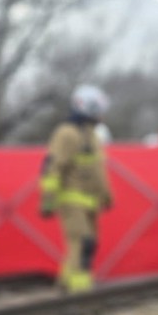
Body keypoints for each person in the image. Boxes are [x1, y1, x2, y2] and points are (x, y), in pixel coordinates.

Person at [39, 84, 113, 293]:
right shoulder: (66, 133)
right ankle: (75, 291)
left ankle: (72, 285)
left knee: (88, 244)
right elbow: (54, 167)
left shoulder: (92, 135)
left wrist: (106, 195)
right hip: (71, 199)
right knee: (82, 241)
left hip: (89, 202)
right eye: (99, 109)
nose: (102, 114)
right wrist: (48, 199)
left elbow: (98, 169)